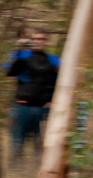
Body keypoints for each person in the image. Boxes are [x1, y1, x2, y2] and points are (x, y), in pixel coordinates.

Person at [4, 32, 60, 163]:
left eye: (41, 39)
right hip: (22, 107)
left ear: (46, 41)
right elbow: (9, 71)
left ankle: (39, 169)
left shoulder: (53, 59)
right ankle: (16, 170)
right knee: (17, 142)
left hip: (44, 108)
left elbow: (61, 80)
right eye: (34, 39)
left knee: (41, 143)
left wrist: (53, 101)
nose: (38, 41)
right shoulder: (21, 55)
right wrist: (19, 51)